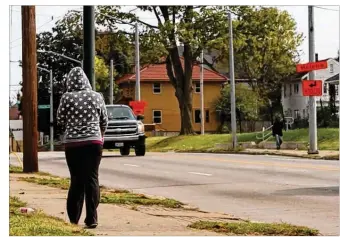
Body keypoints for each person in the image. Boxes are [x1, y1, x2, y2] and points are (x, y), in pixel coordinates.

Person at [57, 67, 108, 228]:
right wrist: (100, 135)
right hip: (94, 143)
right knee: (92, 178)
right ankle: (92, 218)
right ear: (86, 81)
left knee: (76, 180)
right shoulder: (96, 96)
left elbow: (60, 119)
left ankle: (74, 219)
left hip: (73, 144)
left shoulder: (66, 97)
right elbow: (104, 120)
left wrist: (70, 128)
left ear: (69, 82)